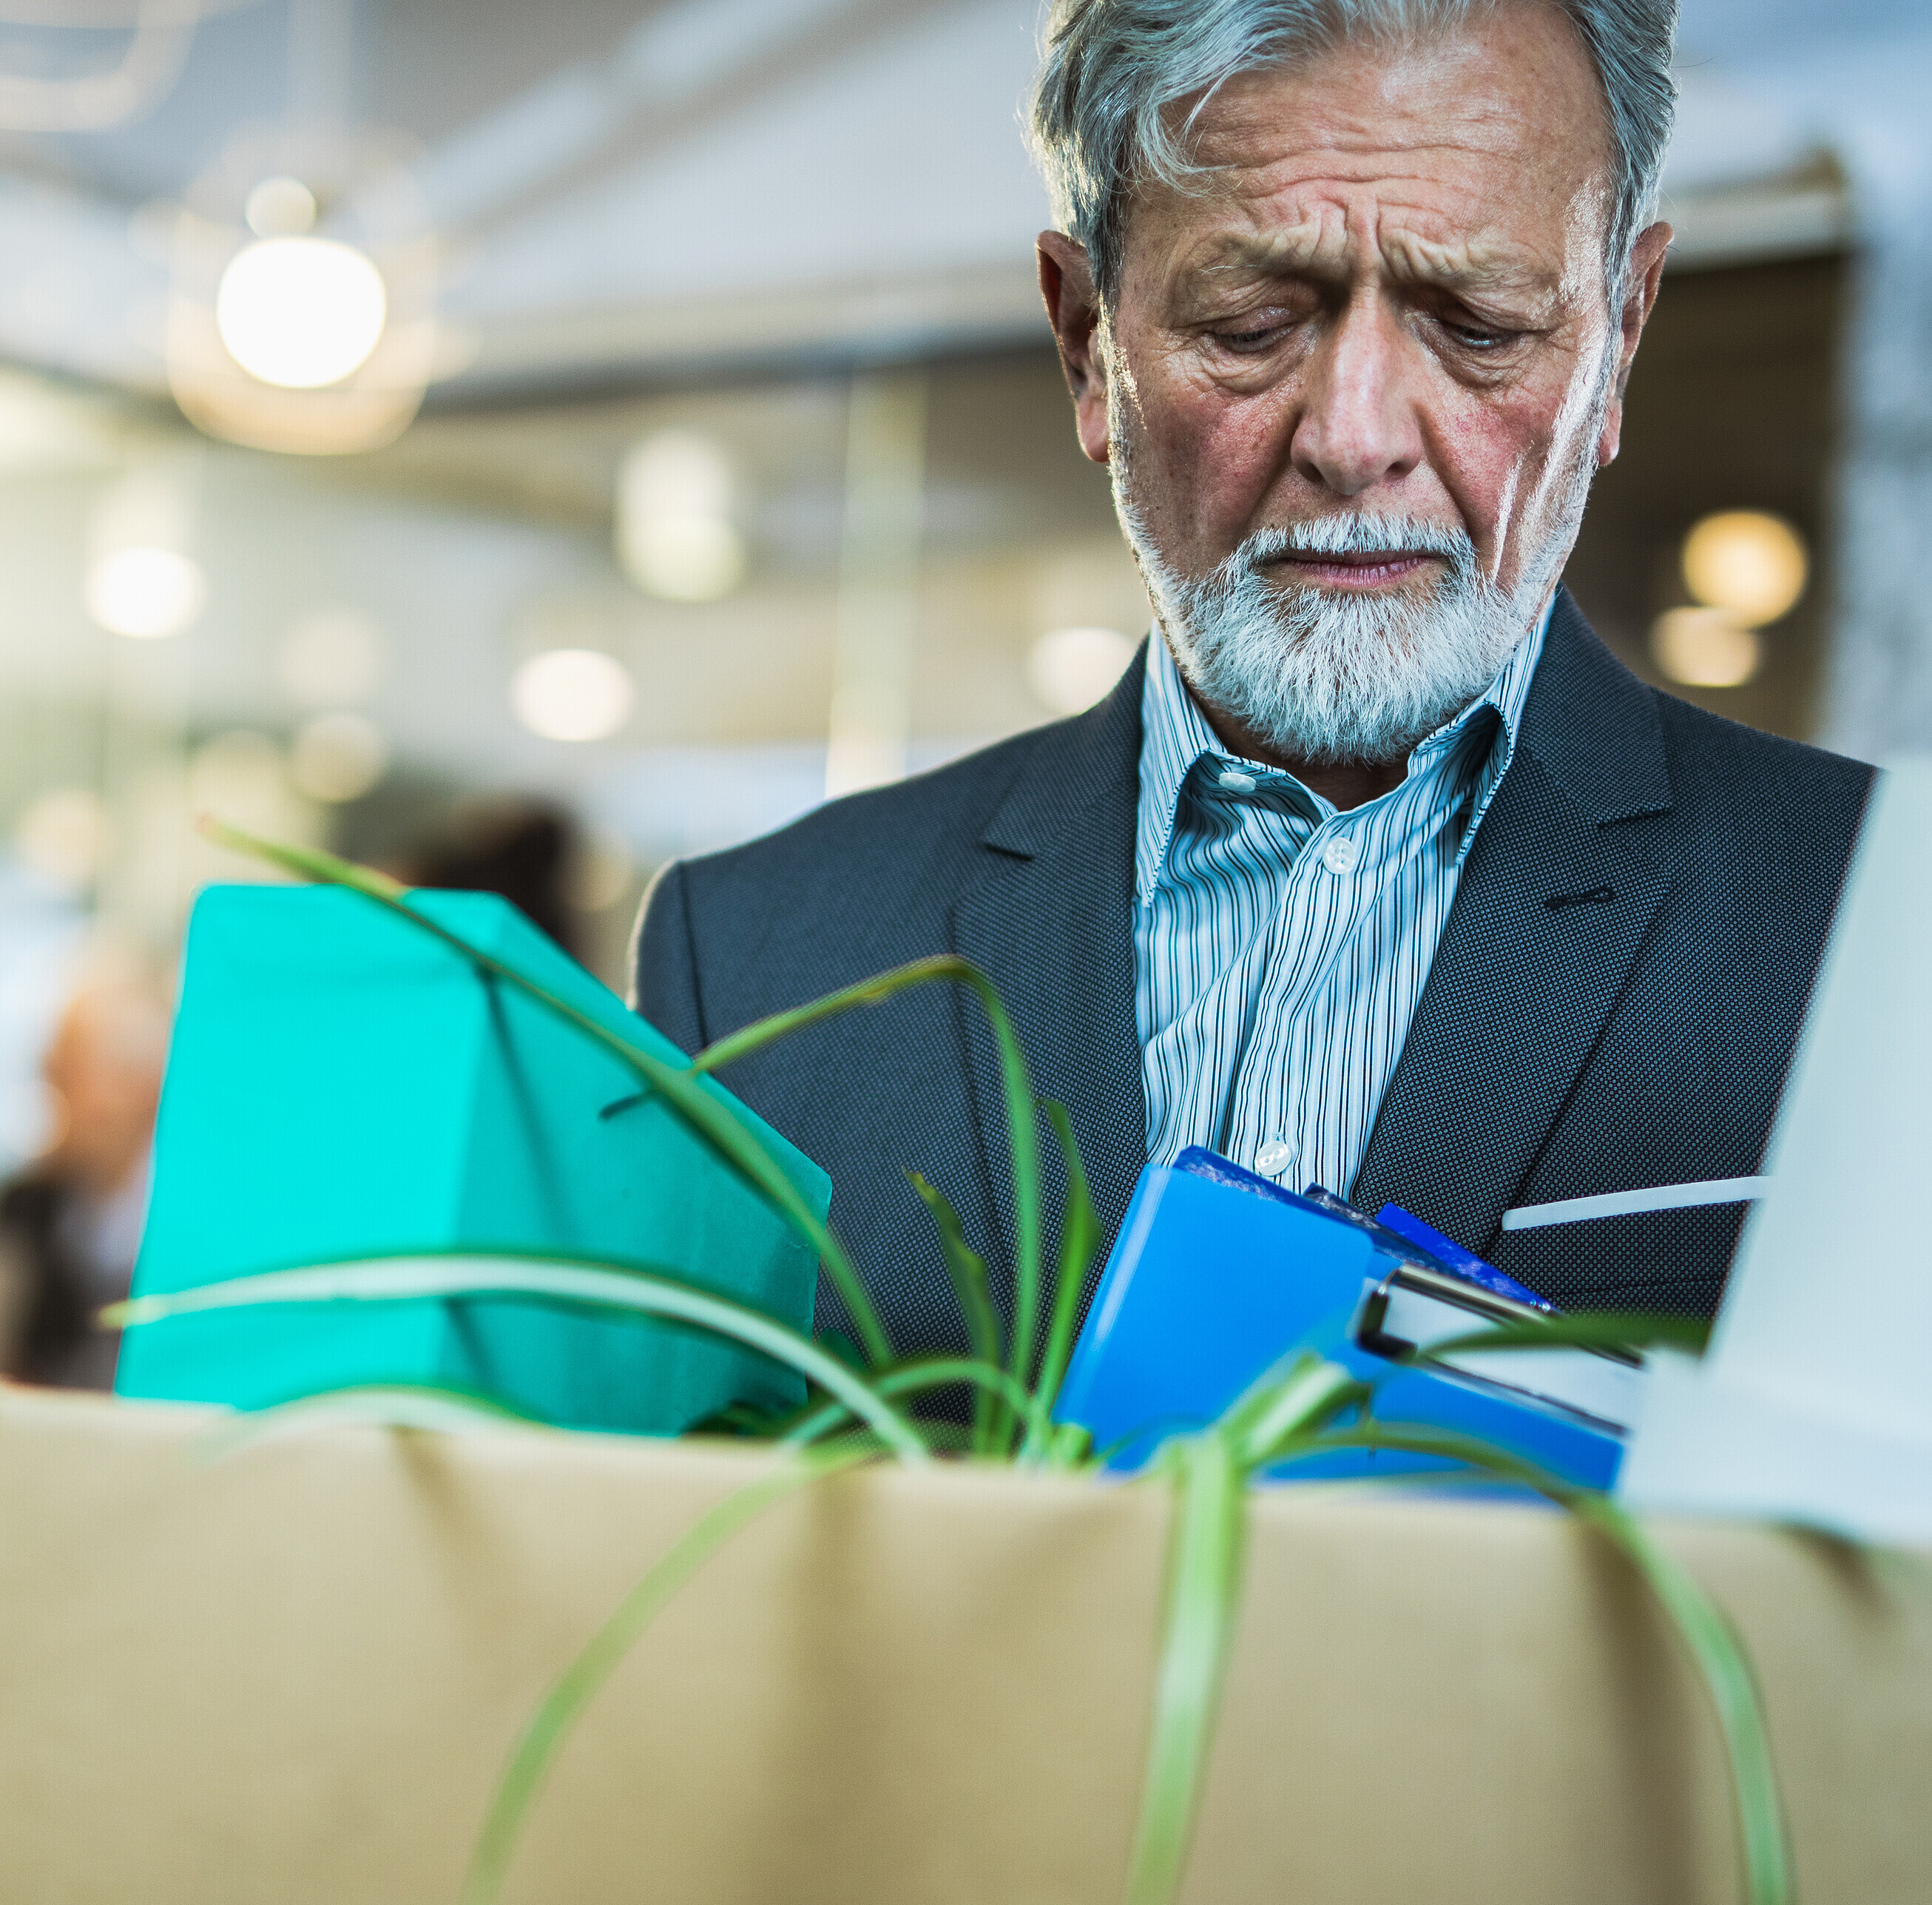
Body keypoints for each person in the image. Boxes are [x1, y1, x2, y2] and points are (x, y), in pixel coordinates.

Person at [634, 0, 1871, 1358]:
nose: (1352, 440)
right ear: (1086, 342)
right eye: (1248, 321)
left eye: (1478, 322)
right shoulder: (745, 964)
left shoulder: (1883, 932)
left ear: (1619, 337)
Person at [0, 973, 170, 1389]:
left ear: (143, 1089)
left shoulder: (184, 1222)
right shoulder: (29, 1208)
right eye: (51, 1069)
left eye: (71, 1072)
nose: (53, 1089)